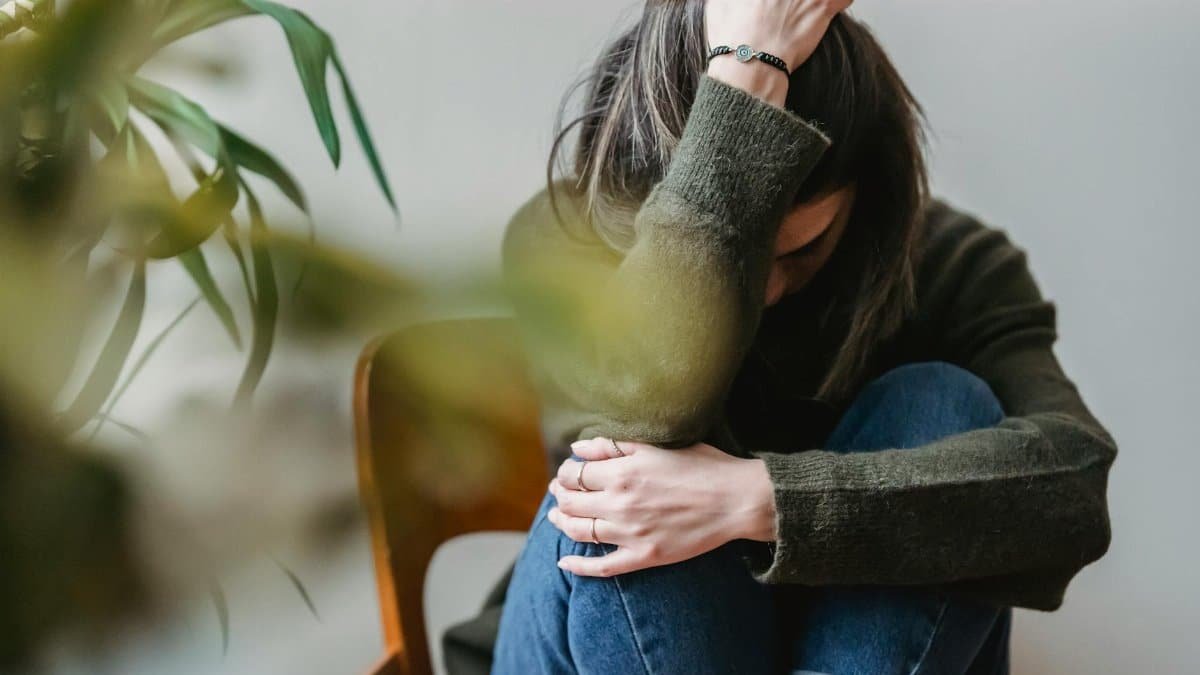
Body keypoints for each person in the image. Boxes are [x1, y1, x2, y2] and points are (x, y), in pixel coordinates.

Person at [443, 1, 1116, 673]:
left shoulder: (946, 261)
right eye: (748, 254)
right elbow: (640, 415)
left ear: (868, 192)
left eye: (802, 250)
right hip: (599, 640)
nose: (766, 288)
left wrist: (759, 499)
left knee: (942, 403)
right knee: (627, 477)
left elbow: (1071, 484)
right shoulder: (569, 234)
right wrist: (745, 84)